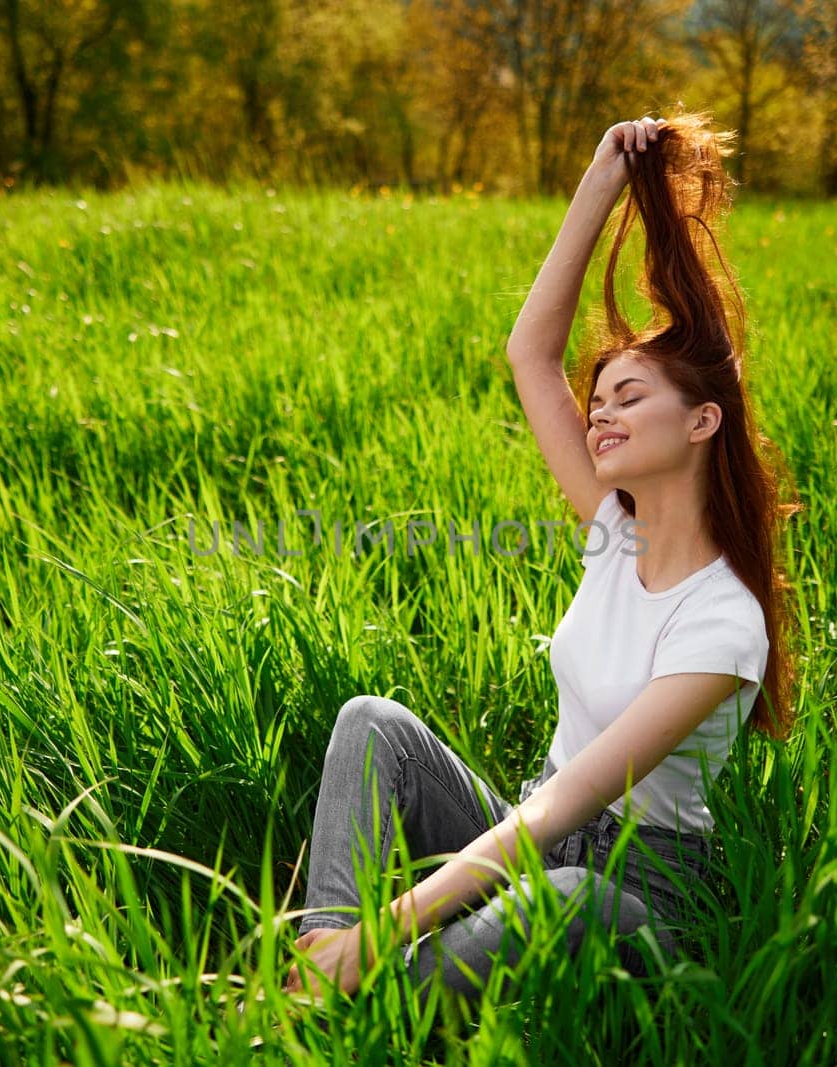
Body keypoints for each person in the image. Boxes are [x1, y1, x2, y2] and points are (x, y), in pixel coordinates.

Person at [282, 106, 800, 1008]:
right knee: (374, 724)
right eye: (594, 399)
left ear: (701, 421)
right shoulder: (614, 535)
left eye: (627, 396)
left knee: (560, 895)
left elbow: (574, 805)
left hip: (638, 892)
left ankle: (363, 990)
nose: (597, 412)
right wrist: (601, 181)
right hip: (534, 818)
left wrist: (391, 922)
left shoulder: (725, 620)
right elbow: (531, 352)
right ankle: (320, 969)